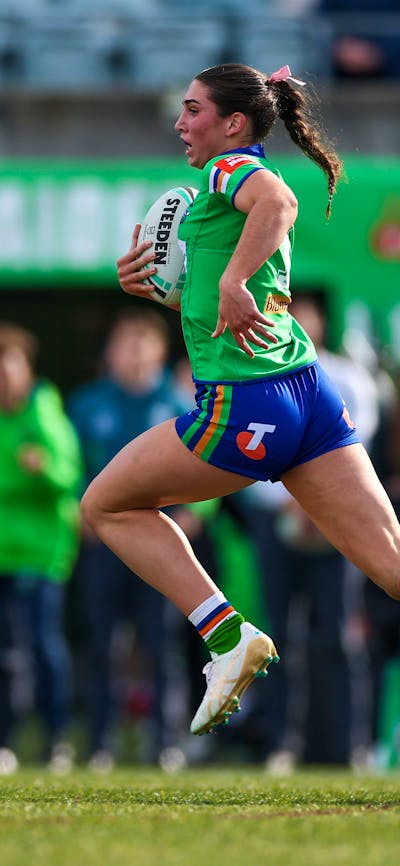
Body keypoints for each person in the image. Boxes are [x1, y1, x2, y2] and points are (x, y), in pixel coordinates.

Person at [81, 62, 400, 741]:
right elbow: (229, 300)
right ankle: (230, 641)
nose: (179, 123)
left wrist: (230, 280)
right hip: (308, 394)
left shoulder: (231, 170)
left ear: (232, 124)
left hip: (246, 403)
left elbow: (280, 203)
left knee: (106, 505)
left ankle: (228, 638)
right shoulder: (226, 189)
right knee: (394, 567)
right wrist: (164, 291)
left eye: (193, 109)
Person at [242, 291, 382, 771]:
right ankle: (281, 744)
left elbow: (355, 445)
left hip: (334, 521)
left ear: (320, 322)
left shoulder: (347, 377)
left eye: (304, 314)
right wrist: (289, 498)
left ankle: (352, 746)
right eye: (285, 312)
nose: (296, 320)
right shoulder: (252, 372)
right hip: (274, 520)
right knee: (275, 635)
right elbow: (244, 452)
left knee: (340, 634)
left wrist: (316, 500)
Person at [67, 309, 189, 767]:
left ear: (160, 351)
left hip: (162, 544)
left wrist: (193, 513)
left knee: (162, 643)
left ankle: (166, 743)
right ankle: (99, 743)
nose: (133, 352)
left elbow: (211, 463)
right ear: (109, 352)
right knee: (102, 643)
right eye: (125, 342)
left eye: (143, 342)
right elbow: (70, 465)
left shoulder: (181, 403)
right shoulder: (86, 404)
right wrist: (79, 510)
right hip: (105, 544)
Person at [0, 323, 83, 773]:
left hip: (41, 555)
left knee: (44, 648)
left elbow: (70, 476)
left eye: (8, 365)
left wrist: (43, 467)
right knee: (6, 655)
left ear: (26, 371)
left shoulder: (44, 414)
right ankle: (6, 740)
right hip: (3, 555)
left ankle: (57, 738)